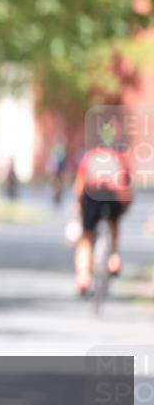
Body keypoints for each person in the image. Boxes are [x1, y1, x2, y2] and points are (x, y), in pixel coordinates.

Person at [71, 120, 132, 296]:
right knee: (114, 225)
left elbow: (80, 185)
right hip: (114, 198)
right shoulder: (119, 157)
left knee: (86, 237)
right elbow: (126, 187)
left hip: (93, 197)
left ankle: (83, 276)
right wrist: (125, 208)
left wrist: (77, 208)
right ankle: (114, 258)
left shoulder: (90, 156)